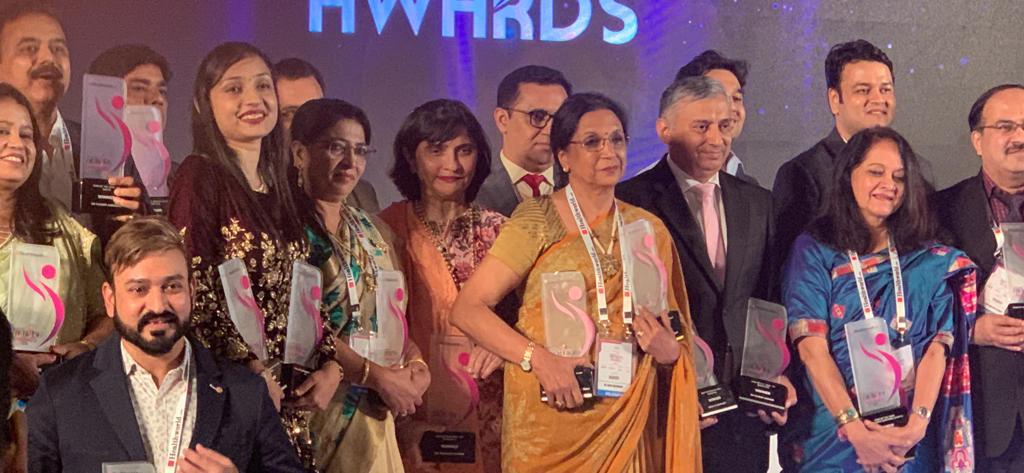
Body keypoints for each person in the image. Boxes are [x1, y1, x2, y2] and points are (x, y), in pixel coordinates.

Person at [451, 93, 701, 471]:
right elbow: (468, 310)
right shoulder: (537, 219)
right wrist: (539, 359)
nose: (608, 151)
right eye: (592, 142)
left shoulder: (647, 229)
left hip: (627, 418)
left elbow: (676, 329)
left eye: (616, 140)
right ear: (563, 157)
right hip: (549, 418)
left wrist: (670, 353)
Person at [168, 42, 342, 470]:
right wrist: (250, 369)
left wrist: (329, 364)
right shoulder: (199, 175)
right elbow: (192, 288)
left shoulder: (284, 186)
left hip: (290, 402)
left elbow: (303, 288)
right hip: (231, 395)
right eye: (234, 88)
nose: (253, 99)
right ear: (204, 103)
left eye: (263, 86)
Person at [26, 216, 305, 472]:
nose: (158, 305)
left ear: (192, 290)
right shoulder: (60, 393)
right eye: (139, 289)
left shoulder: (245, 393)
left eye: (172, 286)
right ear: (110, 299)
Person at [618, 76, 793, 472]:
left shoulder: (758, 202)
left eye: (724, 125)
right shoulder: (630, 201)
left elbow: (767, 299)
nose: (716, 138)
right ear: (664, 129)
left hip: (741, 415)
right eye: (701, 126)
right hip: (664, 403)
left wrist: (774, 375)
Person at [782, 127, 975, 472]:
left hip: (910, 437)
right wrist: (855, 431)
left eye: (899, 177)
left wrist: (916, 426)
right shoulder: (815, 250)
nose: (889, 185)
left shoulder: (929, 257)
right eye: (875, 172)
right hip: (835, 437)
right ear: (848, 175)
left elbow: (938, 348)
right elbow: (811, 349)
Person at [288, 98, 428, 472]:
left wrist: (415, 362)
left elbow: (388, 315)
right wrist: (374, 376)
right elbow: (295, 325)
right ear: (300, 153)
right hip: (316, 407)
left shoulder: (372, 230)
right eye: (336, 148)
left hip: (375, 410)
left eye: (361, 151)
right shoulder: (284, 229)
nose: (351, 163)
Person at [379, 99, 507, 473]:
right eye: (436, 150)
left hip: (489, 406)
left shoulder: (501, 231)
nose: (452, 164)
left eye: (464, 150)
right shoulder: (384, 230)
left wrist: (503, 345)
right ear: (411, 157)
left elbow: (529, 316)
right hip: (411, 404)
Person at [932, 84, 1024, 472]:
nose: (1019, 137)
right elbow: (920, 306)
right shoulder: (939, 211)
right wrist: (971, 328)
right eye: (1005, 126)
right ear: (977, 140)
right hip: (982, 414)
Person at [0, 82, 110, 380]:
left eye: (26, 135)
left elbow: (106, 313)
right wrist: (8, 365)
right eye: (2, 131)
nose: (17, 143)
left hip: (57, 395)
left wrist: (86, 346)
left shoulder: (61, 227)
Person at [0, 1, 143, 231]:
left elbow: (136, 236)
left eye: (59, 49)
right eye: (29, 48)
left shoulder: (110, 151)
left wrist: (132, 220)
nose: (48, 58)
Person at [773, 39, 895, 264]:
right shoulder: (803, 173)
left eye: (885, 89)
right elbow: (791, 266)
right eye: (863, 90)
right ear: (835, 100)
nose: (878, 99)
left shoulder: (914, 170)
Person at [273, 57, 379, 213]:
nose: (305, 122)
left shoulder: (362, 194)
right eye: (289, 114)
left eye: (315, 111)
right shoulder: (258, 192)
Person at [87, 43, 175, 213]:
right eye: (139, 88)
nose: (158, 99)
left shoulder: (183, 179)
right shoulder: (85, 174)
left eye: (162, 91)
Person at [475, 65, 571, 217]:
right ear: (502, 120)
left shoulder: (581, 186)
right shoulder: (473, 189)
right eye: (537, 117)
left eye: (559, 119)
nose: (550, 130)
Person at [674, 49, 757, 184]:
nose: (731, 107)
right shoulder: (648, 187)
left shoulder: (749, 186)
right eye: (719, 96)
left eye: (736, 98)